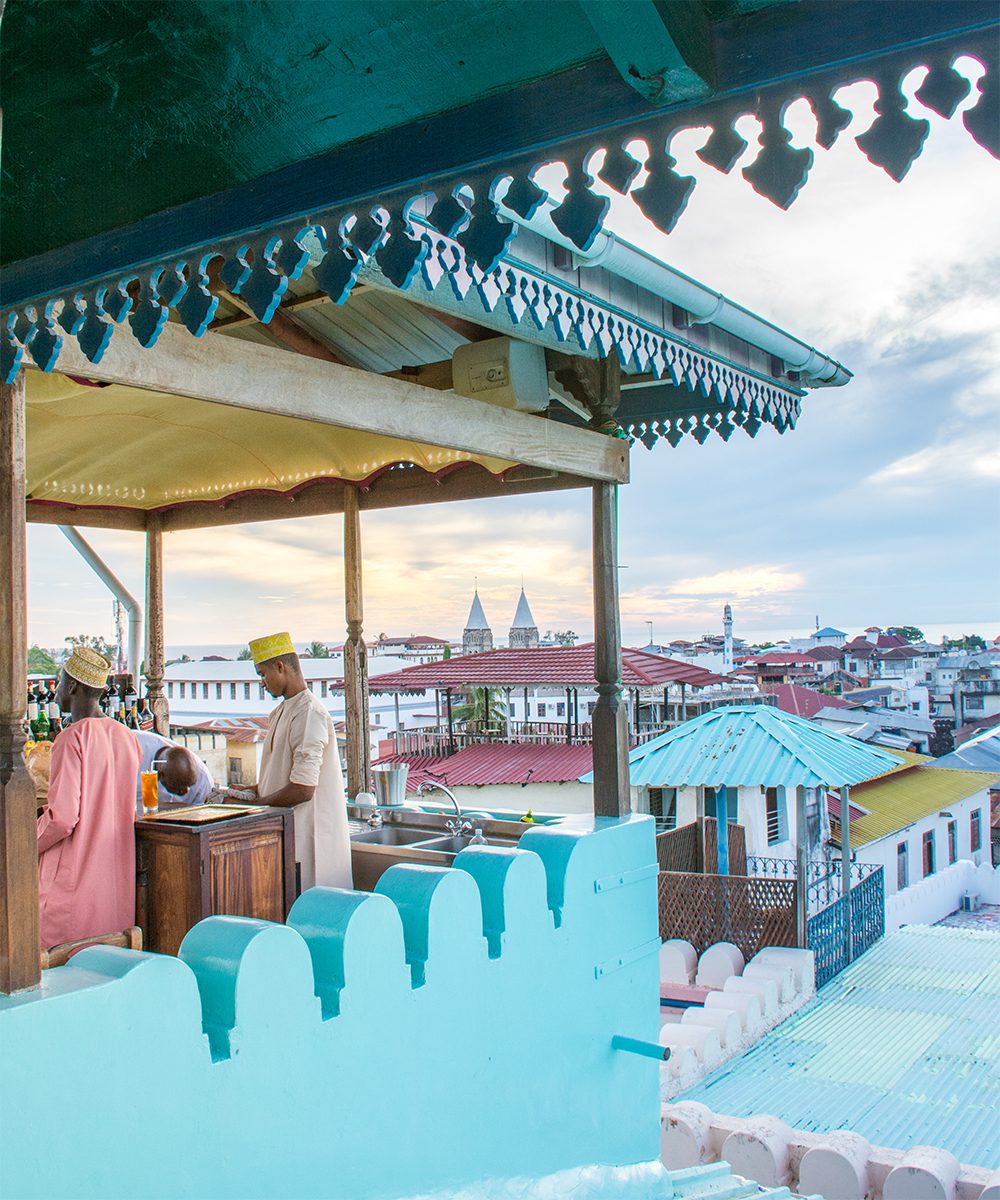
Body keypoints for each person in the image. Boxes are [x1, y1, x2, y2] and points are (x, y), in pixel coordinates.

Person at [37, 647, 142, 949]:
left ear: (72, 686)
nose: (55, 689)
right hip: (113, 882)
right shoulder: (126, 737)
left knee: (61, 966)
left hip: (74, 877)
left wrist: (24, 847)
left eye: (59, 681)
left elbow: (62, 819)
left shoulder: (71, 738)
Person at [247, 632, 351, 892]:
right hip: (288, 836)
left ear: (280, 667)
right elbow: (278, 776)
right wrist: (243, 793)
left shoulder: (309, 713)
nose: (262, 682)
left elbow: (303, 789)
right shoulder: (283, 711)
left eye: (263, 674)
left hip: (311, 840)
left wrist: (255, 807)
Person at [134, 730, 213, 812]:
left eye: (190, 785)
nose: (186, 791)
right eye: (178, 787)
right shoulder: (132, 748)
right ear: (160, 776)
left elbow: (202, 814)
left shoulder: (203, 779)